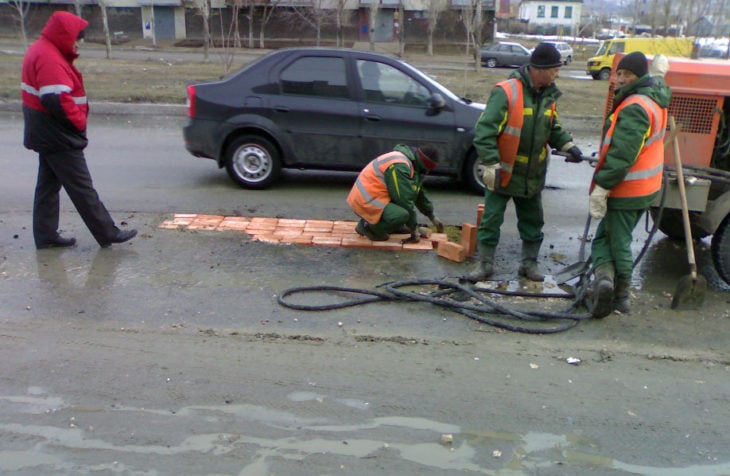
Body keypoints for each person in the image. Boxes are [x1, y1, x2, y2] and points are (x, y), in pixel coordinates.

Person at [467, 42, 583, 282]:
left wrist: (567, 145)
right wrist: (490, 163)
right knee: (491, 220)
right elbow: (484, 132)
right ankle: (485, 265)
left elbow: (552, 127)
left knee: (533, 222)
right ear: (539, 69)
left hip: (532, 175)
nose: (557, 75)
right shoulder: (506, 92)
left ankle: (528, 265)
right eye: (555, 70)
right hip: (504, 173)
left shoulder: (548, 96)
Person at [22, 11, 137, 249]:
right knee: (82, 187)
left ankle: (45, 235)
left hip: (46, 131)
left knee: (48, 186)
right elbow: (56, 99)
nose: (77, 44)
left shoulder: (43, 49)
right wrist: (78, 123)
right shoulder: (49, 57)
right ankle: (107, 233)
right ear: (64, 35)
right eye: (75, 38)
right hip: (57, 134)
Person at [588, 52, 671, 318]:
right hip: (646, 187)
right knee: (606, 236)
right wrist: (660, 76)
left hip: (627, 188)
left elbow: (623, 154)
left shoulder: (635, 106)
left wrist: (603, 185)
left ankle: (620, 294)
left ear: (636, 77)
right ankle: (605, 283)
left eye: (624, 75)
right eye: (618, 73)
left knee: (617, 241)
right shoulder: (653, 97)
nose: (618, 79)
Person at [347, 144, 445, 243]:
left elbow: (417, 193)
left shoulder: (413, 164)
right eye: (428, 169)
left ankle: (392, 226)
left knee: (401, 213)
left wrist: (431, 215)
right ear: (424, 164)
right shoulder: (400, 166)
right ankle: (368, 227)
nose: (428, 172)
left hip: (376, 196)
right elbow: (404, 200)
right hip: (365, 199)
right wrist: (414, 230)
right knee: (401, 215)